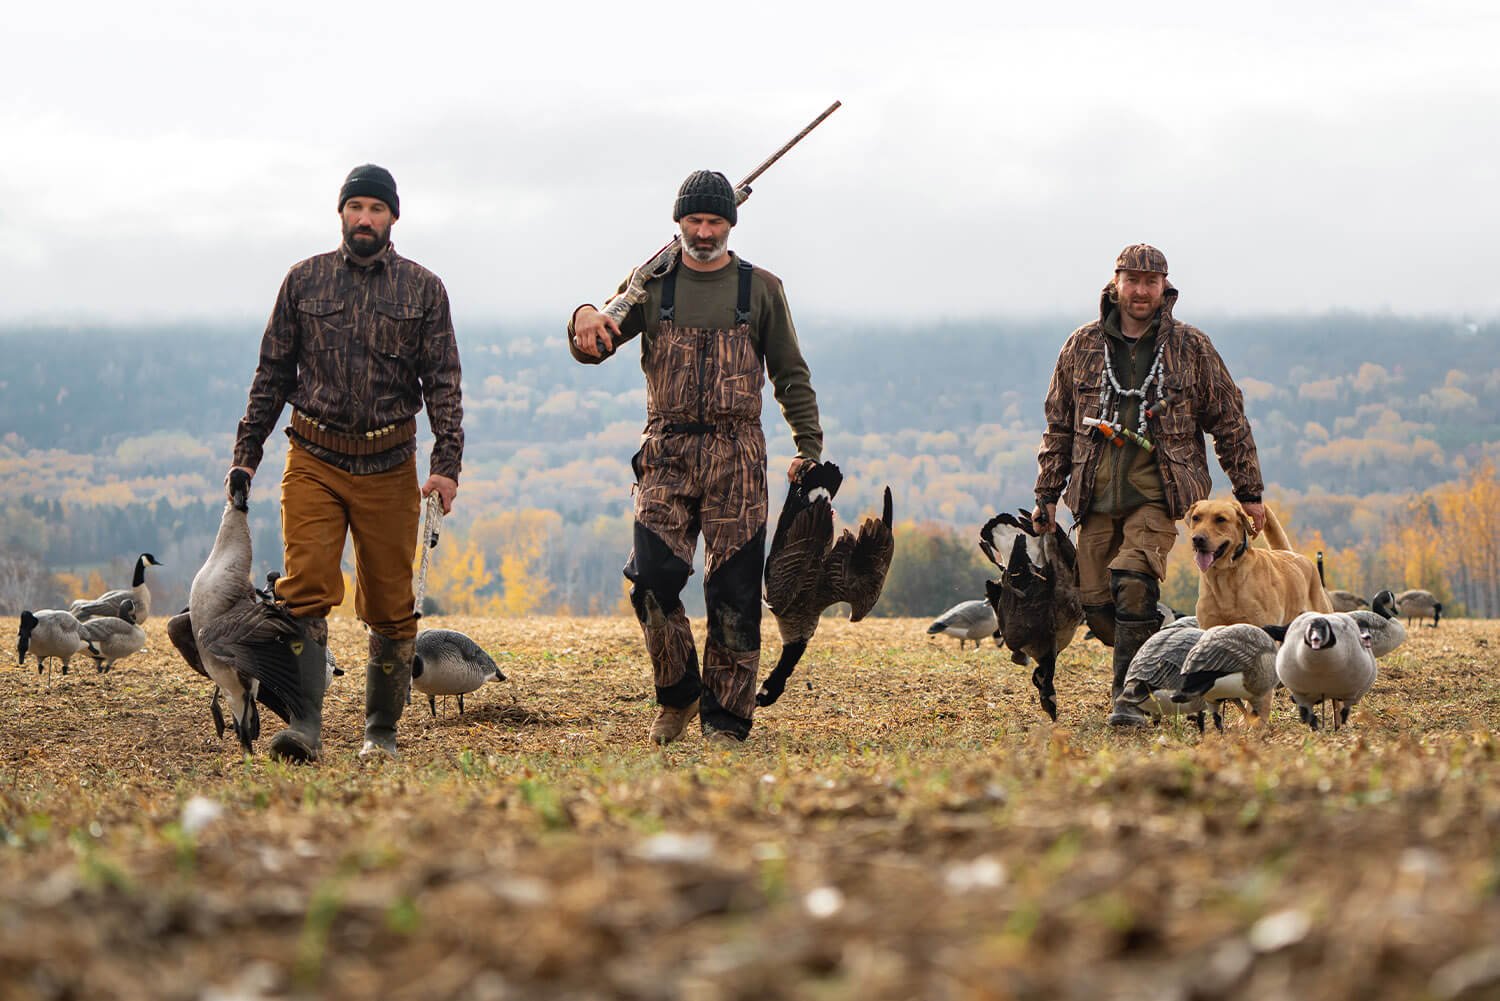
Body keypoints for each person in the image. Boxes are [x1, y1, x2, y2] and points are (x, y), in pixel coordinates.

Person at [568, 170, 822, 745]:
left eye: (714, 221)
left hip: (738, 454)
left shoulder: (760, 289)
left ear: (731, 223)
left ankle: (727, 718)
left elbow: (790, 373)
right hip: (666, 452)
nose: (704, 232)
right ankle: (679, 693)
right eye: (694, 221)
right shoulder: (651, 284)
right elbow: (595, 347)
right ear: (678, 223)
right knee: (652, 580)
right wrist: (582, 313)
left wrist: (809, 447)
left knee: (733, 592)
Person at [231, 163, 464, 762]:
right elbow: (272, 375)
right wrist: (246, 457)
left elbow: (443, 384)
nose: (365, 218)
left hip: (389, 465)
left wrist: (447, 464)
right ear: (341, 213)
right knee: (305, 586)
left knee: (390, 604)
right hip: (314, 457)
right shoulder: (303, 282)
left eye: (376, 209)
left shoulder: (423, 289)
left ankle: (380, 732)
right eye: (355, 207)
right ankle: (305, 724)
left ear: (393, 218)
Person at [1031, 244, 1265, 704]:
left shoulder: (1191, 347)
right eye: (1132, 281)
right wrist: (1046, 495)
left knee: (1134, 582)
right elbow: (1058, 426)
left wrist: (1249, 491)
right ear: (1115, 285)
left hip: (1160, 493)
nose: (1141, 291)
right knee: (1097, 608)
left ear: (1165, 289)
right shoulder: (1080, 346)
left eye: (1150, 282)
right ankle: (1168, 645)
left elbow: (1230, 420)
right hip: (1093, 496)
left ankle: (1129, 699)